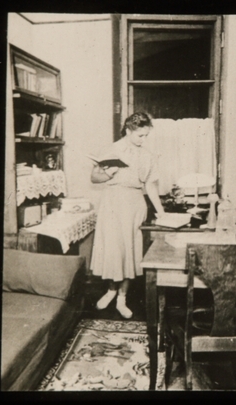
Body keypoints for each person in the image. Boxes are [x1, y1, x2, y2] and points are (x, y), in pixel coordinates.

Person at [90, 112, 165, 319]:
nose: (143, 140)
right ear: (128, 130)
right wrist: (109, 173)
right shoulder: (111, 149)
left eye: (146, 136)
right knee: (113, 249)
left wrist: (161, 212)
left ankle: (122, 297)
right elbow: (94, 178)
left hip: (134, 203)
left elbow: (151, 186)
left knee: (129, 250)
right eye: (140, 135)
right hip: (112, 202)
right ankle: (110, 291)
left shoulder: (147, 155)